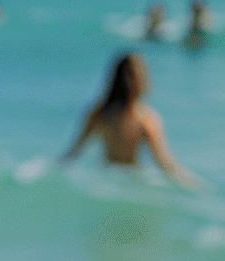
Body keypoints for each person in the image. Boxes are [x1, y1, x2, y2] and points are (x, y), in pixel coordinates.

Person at [65, 53, 198, 186]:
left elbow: (164, 162)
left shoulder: (141, 118)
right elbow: (74, 151)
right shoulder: (110, 114)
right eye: (133, 75)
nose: (135, 80)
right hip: (121, 182)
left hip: (111, 182)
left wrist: (190, 181)